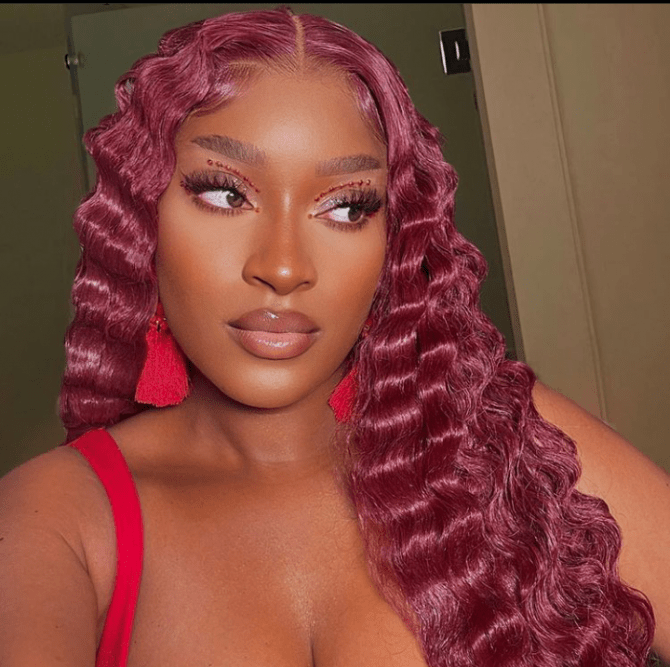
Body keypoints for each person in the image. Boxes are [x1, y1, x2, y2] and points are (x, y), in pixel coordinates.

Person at [1, 6, 668, 667]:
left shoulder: (515, 444)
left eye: (347, 206)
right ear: (143, 214)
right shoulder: (60, 518)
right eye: (225, 194)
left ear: (395, 242)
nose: (283, 267)